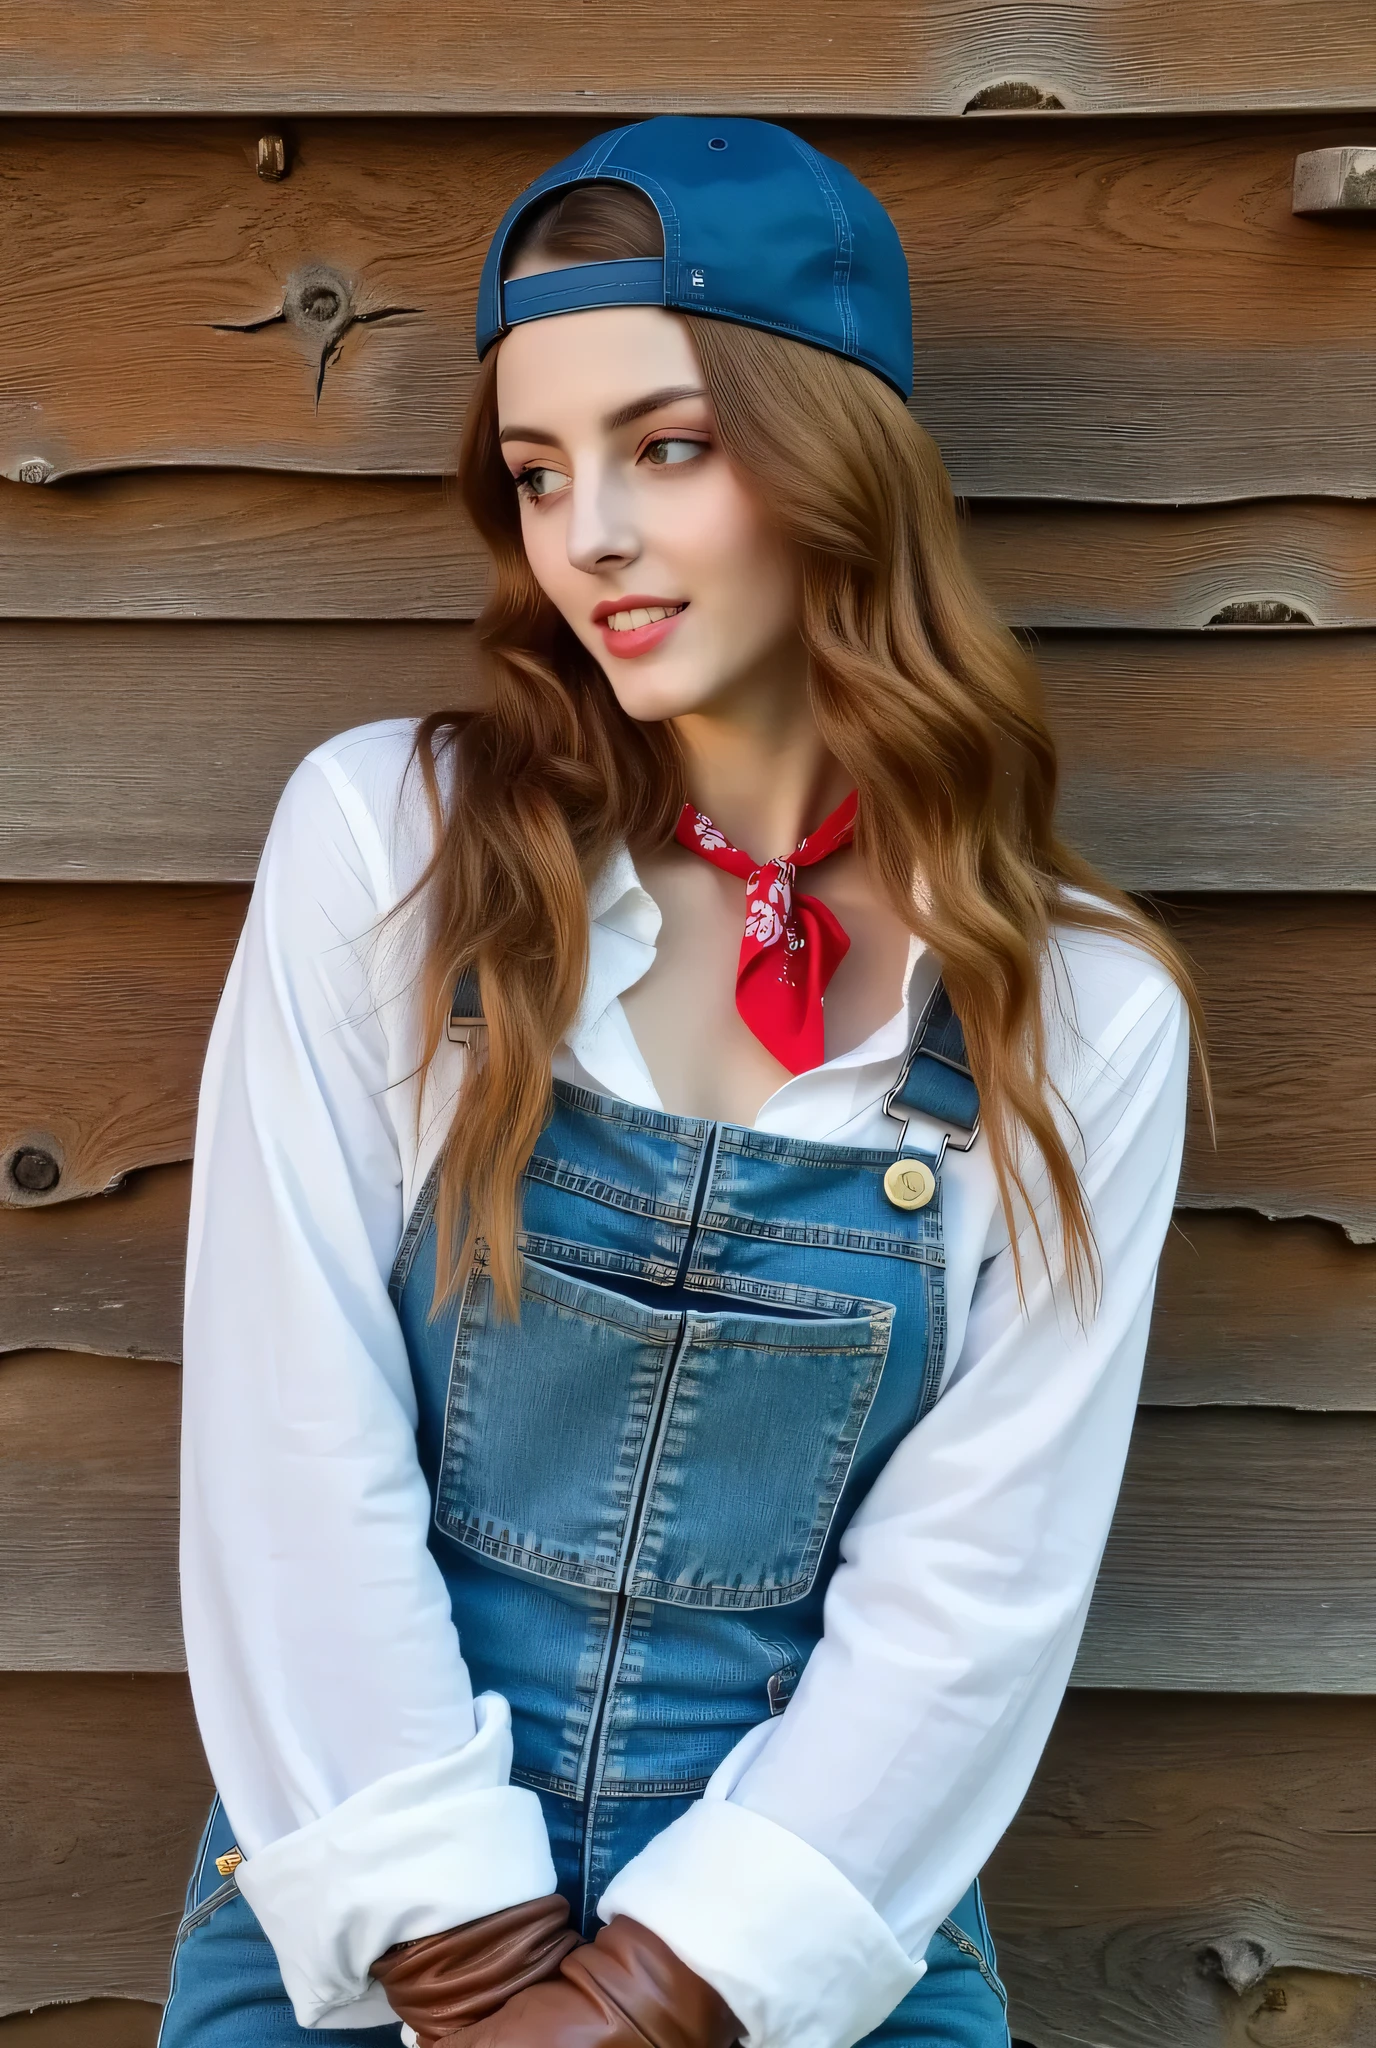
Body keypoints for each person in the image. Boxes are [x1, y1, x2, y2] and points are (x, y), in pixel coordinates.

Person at [161, 117, 1197, 2048]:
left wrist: (649, 2002)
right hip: (364, 1897)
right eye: (539, 474)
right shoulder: (391, 844)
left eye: (667, 447)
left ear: (837, 459)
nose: (590, 541)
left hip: (799, 1944)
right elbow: (286, 1432)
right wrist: (470, 1968)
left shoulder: (1077, 1011)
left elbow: (974, 1596)